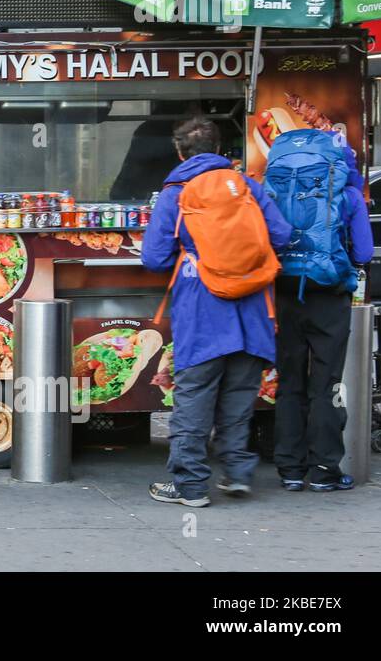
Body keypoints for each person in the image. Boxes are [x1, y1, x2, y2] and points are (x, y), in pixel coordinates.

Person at [140, 117, 294, 507]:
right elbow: (281, 235)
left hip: (203, 312)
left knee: (193, 398)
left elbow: (155, 258)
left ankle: (190, 486)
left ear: (180, 152)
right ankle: (237, 474)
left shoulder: (176, 192)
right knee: (239, 398)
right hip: (252, 312)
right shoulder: (247, 187)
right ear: (221, 149)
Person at [273, 139, 373, 492]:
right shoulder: (348, 196)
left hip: (285, 291)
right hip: (330, 296)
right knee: (328, 385)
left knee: (289, 382)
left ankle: (289, 469)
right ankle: (324, 469)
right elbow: (362, 251)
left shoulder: (278, 185)